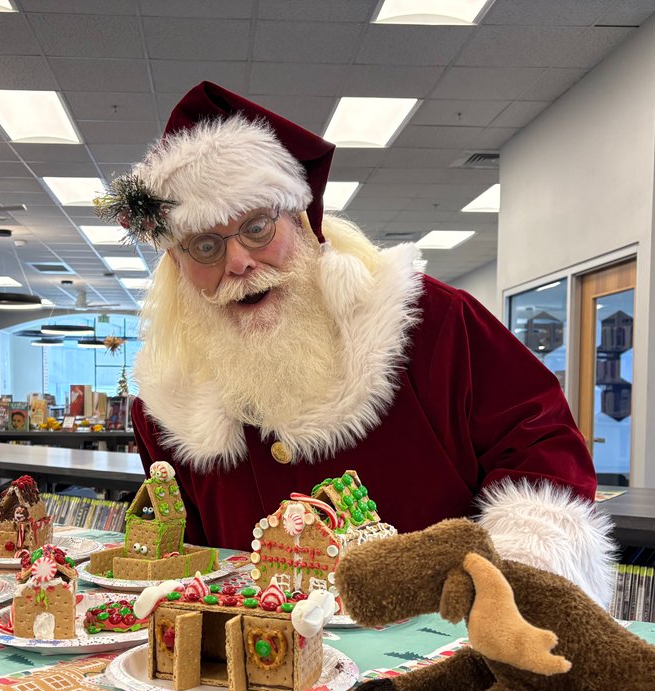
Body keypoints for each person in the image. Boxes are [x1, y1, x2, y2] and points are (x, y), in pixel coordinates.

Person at [99, 82, 615, 607]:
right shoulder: (168, 397)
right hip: (257, 669)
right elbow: (186, 554)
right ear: (177, 264)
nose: (237, 262)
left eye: (256, 227)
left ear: (301, 220)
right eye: (205, 245)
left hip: (428, 641)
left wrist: (508, 585)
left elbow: (540, 451)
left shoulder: (427, 320)